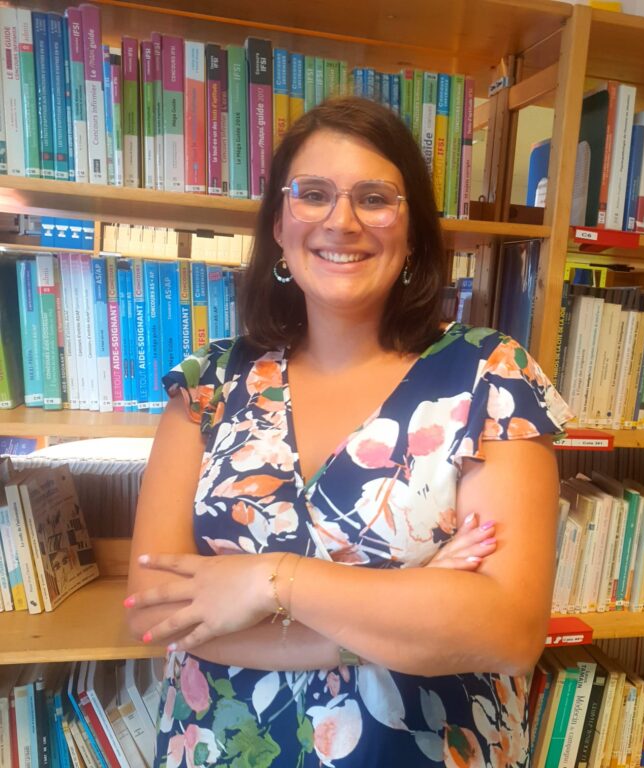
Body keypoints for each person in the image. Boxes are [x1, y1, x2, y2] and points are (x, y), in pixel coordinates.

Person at [125, 96, 572, 768]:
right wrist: (403, 614)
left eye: (374, 198)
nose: (342, 221)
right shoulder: (208, 381)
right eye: (313, 195)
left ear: (413, 232)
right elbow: (153, 612)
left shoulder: (490, 373)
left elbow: (506, 632)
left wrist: (268, 581)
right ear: (279, 225)